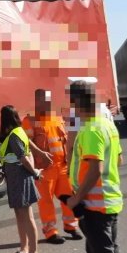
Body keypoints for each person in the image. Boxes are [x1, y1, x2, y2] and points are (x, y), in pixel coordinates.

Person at [65, 81, 127, 253]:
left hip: (96, 205)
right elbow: (119, 160)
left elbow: (95, 168)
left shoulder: (91, 129)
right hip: (109, 200)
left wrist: (76, 197)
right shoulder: (108, 125)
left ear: (77, 103)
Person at [22, 88, 82, 244]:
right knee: (46, 202)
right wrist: (41, 154)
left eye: (48, 100)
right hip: (45, 169)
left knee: (68, 197)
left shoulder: (57, 117)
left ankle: (70, 226)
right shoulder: (30, 120)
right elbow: (25, 141)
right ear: (37, 102)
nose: (47, 103)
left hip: (62, 166)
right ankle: (51, 232)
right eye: (43, 100)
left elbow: (68, 136)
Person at [0, 105, 42, 253]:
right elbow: (29, 150)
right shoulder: (19, 132)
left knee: (27, 216)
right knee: (21, 215)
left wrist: (34, 172)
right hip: (17, 179)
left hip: (20, 179)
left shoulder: (14, 135)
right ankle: (24, 248)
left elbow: (24, 157)